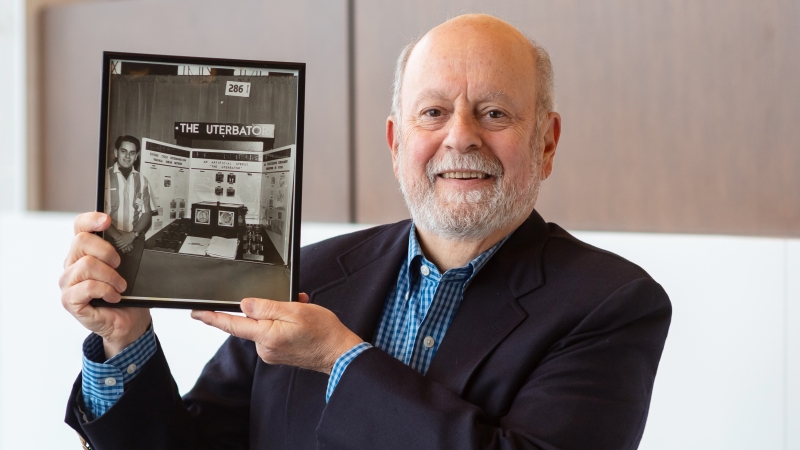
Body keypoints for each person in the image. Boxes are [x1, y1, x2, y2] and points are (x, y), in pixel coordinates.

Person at [59, 14, 671, 450]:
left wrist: (341, 360)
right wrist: (124, 339)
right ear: (396, 140)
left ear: (546, 141)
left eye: (495, 113)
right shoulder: (310, 275)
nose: (460, 136)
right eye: (432, 112)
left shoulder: (612, 304)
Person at [102, 135, 155, 295]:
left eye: (132, 153)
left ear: (136, 156)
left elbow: (147, 214)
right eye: (124, 151)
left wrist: (132, 235)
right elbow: (99, 214)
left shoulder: (143, 181)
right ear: (116, 152)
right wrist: (119, 237)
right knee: (107, 285)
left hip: (135, 240)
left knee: (126, 287)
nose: (127, 156)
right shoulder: (103, 177)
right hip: (109, 239)